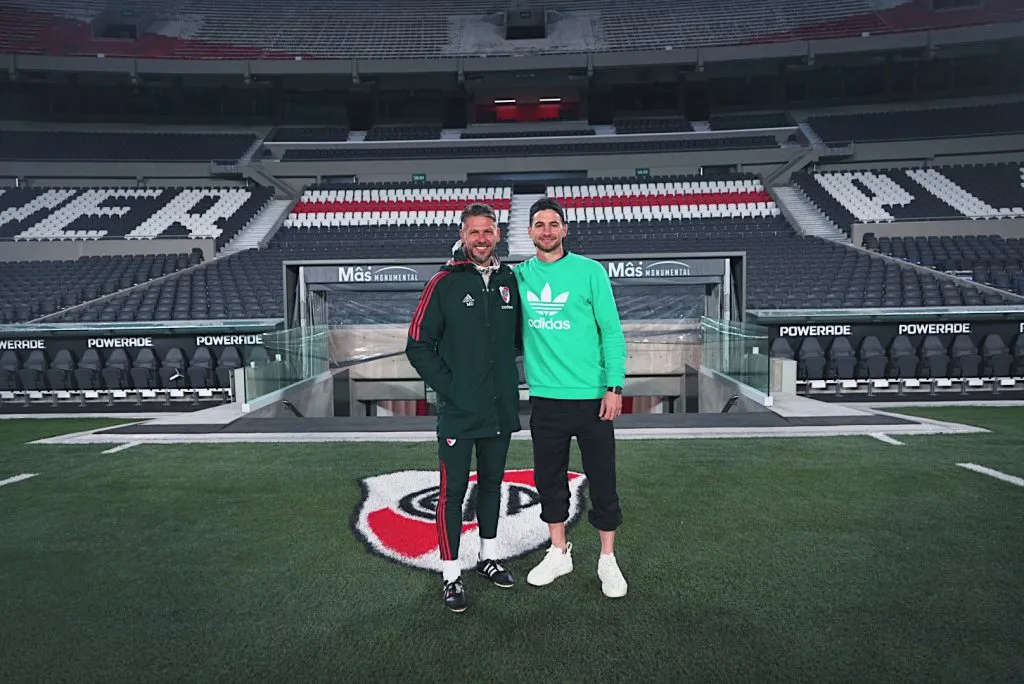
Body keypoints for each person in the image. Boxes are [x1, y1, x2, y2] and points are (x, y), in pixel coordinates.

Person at [405, 202, 522, 613]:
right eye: (474, 232)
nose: (481, 239)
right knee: (452, 494)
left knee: (492, 485)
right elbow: (417, 344)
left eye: (488, 231)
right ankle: (451, 574)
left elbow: (521, 341)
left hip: (500, 409)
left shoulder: (510, 280)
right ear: (463, 234)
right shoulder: (444, 282)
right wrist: (452, 389)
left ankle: (488, 557)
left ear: (498, 235)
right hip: (458, 410)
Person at [514, 197, 628, 598]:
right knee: (549, 482)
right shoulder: (519, 277)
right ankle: (559, 551)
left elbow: (611, 333)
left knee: (603, 481)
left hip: (594, 399)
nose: (546, 230)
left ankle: (607, 560)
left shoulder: (590, 272)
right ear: (529, 232)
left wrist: (614, 387)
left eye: (554, 224)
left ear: (565, 230)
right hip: (545, 399)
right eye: (539, 224)